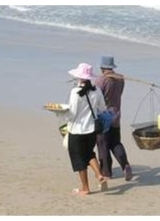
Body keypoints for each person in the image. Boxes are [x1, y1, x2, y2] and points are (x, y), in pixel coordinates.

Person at [56, 63, 110, 196]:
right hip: (91, 129)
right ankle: (99, 175)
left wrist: (59, 112)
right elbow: (102, 108)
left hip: (77, 131)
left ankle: (85, 188)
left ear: (79, 77)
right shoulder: (96, 90)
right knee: (89, 154)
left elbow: (72, 113)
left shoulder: (75, 92)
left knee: (79, 160)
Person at [95, 55, 133, 181]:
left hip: (103, 117)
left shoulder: (102, 80)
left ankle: (106, 172)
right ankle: (125, 165)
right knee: (116, 142)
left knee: (103, 144)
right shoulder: (121, 78)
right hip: (116, 115)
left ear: (102, 67)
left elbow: (96, 97)